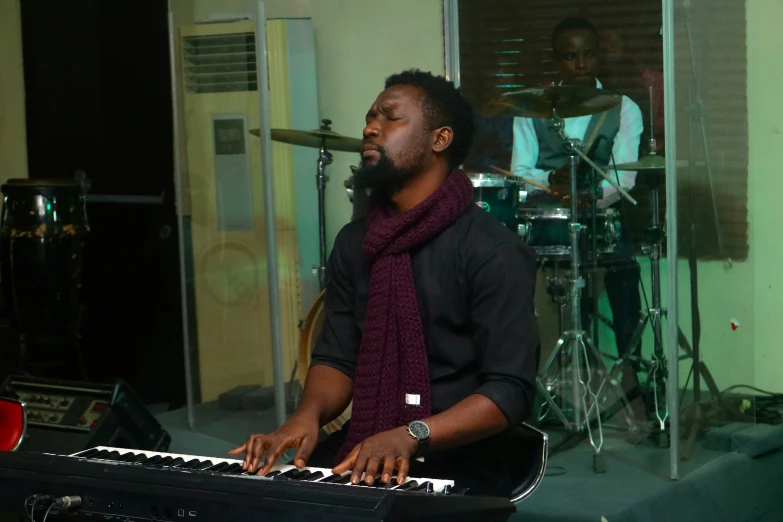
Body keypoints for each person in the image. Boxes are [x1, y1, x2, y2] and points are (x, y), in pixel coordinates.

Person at [230, 70, 540, 496]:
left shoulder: (492, 250)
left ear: (440, 139)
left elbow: (510, 390)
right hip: (371, 442)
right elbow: (338, 357)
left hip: (465, 456)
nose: (369, 128)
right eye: (370, 116)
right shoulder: (354, 242)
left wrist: (411, 434)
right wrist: (307, 415)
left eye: (390, 117)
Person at [510, 17, 648, 420]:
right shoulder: (532, 109)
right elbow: (521, 169)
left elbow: (624, 176)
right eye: (570, 56)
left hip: (602, 219)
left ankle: (630, 382)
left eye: (588, 54)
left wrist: (589, 198)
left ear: (599, 54)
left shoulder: (625, 108)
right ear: (557, 61)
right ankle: (549, 387)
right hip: (551, 219)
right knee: (536, 297)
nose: (581, 64)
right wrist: (552, 183)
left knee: (625, 283)